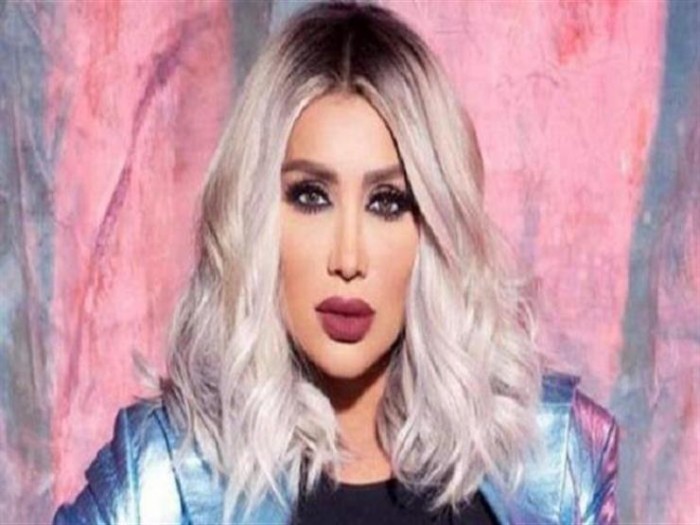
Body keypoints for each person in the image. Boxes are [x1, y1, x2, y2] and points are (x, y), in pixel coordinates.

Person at [53, 2, 619, 524]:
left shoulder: (549, 463)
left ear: (434, 227)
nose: (348, 259)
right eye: (311, 196)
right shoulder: (168, 474)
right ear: (256, 215)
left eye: (388, 202)